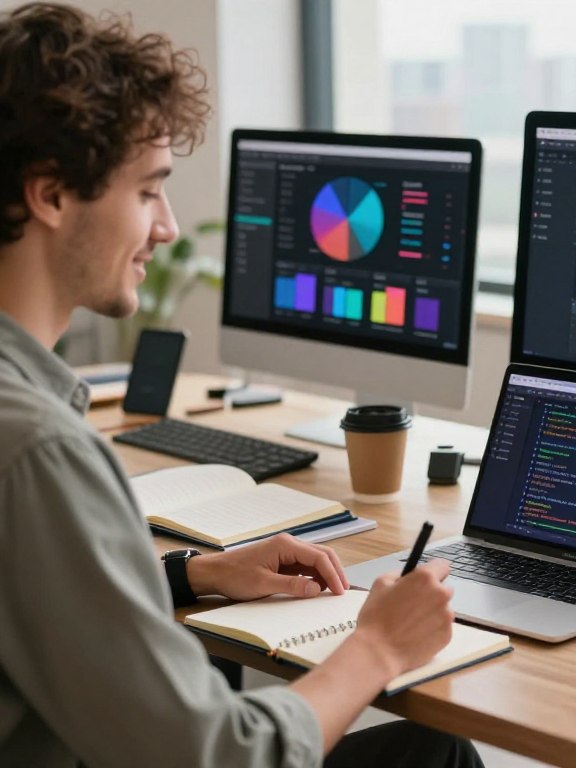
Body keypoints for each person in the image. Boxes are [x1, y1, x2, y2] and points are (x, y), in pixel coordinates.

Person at [0, 4, 484, 767]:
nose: (164, 227)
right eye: (148, 191)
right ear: (51, 194)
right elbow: (213, 755)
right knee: (432, 754)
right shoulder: (37, 451)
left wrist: (193, 576)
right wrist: (376, 650)